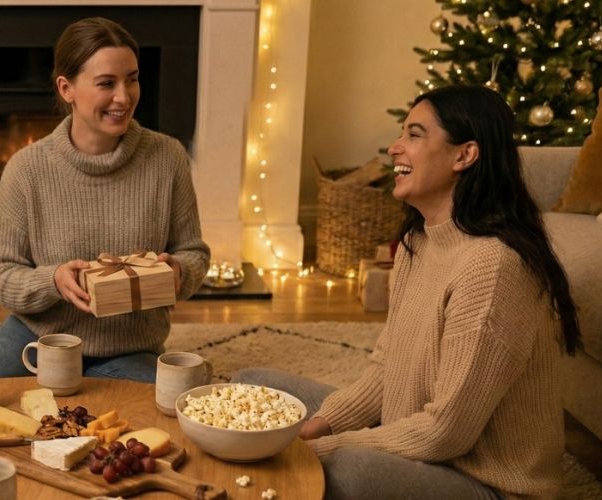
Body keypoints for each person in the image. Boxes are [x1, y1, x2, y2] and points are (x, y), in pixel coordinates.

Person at [234, 85, 582, 499]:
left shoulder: (493, 268)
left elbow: (445, 434)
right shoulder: (419, 243)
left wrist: (318, 448)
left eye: (414, 135)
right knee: (250, 389)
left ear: (464, 155)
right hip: (414, 442)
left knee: (347, 471)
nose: (395, 147)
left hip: (484, 482)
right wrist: (322, 423)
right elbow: (387, 367)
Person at [0, 16, 210, 384]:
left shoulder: (168, 158)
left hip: (129, 345)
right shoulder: (26, 169)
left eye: (132, 79)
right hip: (39, 336)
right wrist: (53, 280)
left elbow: (194, 253)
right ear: (66, 88)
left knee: (166, 416)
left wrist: (179, 273)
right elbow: (1, 274)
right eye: (106, 83)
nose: (124, 96)